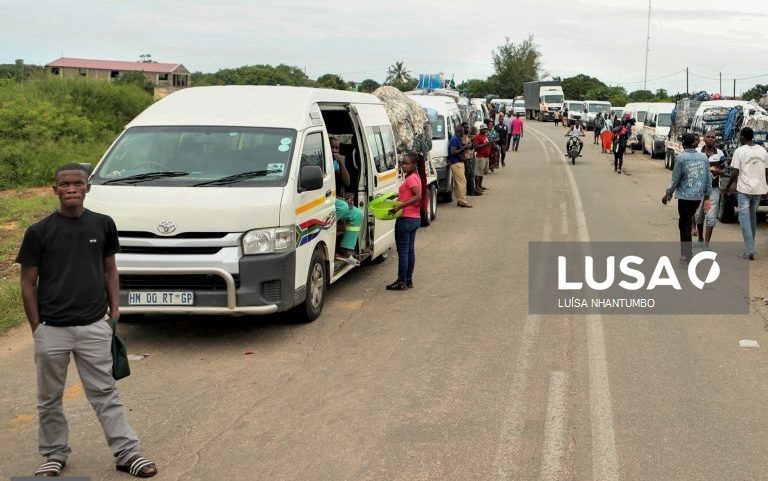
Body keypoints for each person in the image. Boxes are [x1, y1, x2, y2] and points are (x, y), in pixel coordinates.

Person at [16, 163, 157, 478]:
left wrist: (114, 309)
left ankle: (127, 453)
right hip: (52, 328)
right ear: (55, 190)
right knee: (49, 398)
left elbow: (110, 269)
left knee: (105, 393)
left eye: (77, 183)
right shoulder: (39, 232)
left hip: (94, 324)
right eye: (63, 184)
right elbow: (28, 282)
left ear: (87, 188)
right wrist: (36, 327)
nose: (70, 189)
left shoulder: (102, 225)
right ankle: (54, 455)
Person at [662, 133, 711, 267]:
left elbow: (675, 179)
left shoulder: (681, 158)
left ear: (683, 144)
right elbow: (708, 178)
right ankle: (687, 254)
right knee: (685, 223)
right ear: (694, 144)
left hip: (685, 197)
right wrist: (707, 196)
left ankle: (686, 257)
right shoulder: (703, 157)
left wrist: (668, 195)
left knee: (684, 226)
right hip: (697, 198)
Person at [724, 127, 768, 260]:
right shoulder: (763, 151)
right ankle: (750, 247)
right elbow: (767, 171)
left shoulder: (739, 151)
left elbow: (735, 171)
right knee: (752, 217)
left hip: (745, 189)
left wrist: (728, 186)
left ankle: (749, 250)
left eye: (739, 136)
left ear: (743, 136)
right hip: (759, 189)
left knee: (744, 219)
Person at [386, 152, 423, 290]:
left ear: (414, 165)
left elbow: (418, 196)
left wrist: (400, 206)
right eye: (402, 163)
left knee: (403, 252)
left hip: (406, 219)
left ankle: (401, 281)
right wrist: (398, 195)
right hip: (414, 219)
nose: (403, 166)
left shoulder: (411, 179)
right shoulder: (415, 177)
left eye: (407, 163)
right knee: (409, 251)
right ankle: (408, 280)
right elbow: (410, 193)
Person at [330, 137, 363, 265]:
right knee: (343, 206)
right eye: (332, 147)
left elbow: (347, 181)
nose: (334, 151)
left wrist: (342, 163)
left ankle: (344, 248)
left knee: (357, 214)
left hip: (334, 200)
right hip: (323, 201)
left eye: (337, 148)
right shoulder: (321, 161)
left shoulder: (336, 162)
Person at [693, 130, 726, 249]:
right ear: (704, 139)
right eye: (708, 137)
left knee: (711, 216)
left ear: (716, 139)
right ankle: (700, 239)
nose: (711, 139)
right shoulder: (697, 152)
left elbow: (724, 170)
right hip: (698, 189)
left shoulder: (720, 154)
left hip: (714, 189)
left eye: (713, 137)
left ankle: (706, 244)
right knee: (698, 215)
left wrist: (716, 171)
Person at [449, 124, 473, 208]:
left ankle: (459, 200)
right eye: (463, 130)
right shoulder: (454, 139)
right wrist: (465, 147)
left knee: (458, 183)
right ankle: (463, 200)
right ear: (461, 131)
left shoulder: (456, 138)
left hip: (457, 163)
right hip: (456, 163)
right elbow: (453, 152)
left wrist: (465, 146)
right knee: (462, 182)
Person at [473, 126, 493, 192]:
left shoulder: (485, 136)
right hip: (480, 156)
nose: (485, 130)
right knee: (478, 172)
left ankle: (480, 185)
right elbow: (475, 147)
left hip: (486, 157)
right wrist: (485, 145)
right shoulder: (477, 137)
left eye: (486, 129)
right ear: (481, 130)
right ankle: (477, 186)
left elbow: (488, 143)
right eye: (484, 129)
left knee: (482, 172)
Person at [462, 123, 480, 196]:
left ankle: (472, 189)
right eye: (466, 127)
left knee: (471, 174)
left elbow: (470, 146)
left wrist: (471, 144)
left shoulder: (467, 136)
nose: (467, 129)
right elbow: (466, 146)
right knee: (468, 175)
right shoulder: (462, 137)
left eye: (468, 127)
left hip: (470, 156)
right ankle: (470, 190)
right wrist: (470, 144)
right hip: (466, 158)